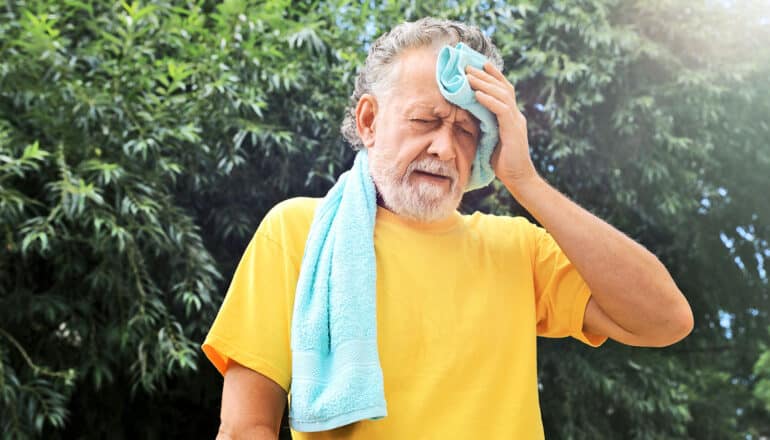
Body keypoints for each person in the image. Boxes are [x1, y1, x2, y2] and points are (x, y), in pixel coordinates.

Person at [202, 17, 693, 440]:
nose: (444, 147)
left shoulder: (516, 250)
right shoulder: (298, 232)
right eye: (425, 120)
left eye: (466, 131)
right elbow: (245, 427)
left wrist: (526, 182)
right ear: (369, 120)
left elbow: (665, 319)